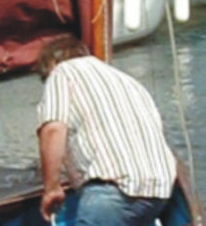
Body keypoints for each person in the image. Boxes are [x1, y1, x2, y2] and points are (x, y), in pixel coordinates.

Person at [36, 34, 176, 225]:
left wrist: (51, 188)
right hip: (159, 191)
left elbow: (53, 130)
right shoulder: (129, 81)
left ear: (52, 63)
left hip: (112, 192)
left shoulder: (62, 73)